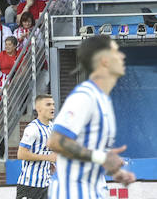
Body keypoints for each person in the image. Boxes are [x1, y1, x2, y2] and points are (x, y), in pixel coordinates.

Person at [49, 35, 135, 199]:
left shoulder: (103, 99)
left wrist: (113, 170)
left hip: (92, 190)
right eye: (116, 52)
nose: (122, 56)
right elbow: (56, 141)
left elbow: (88, 151)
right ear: (104, 61)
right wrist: (102, 157)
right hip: (72, 192)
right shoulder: (84, 96)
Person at [16, 94, 56, 199]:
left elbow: (44, 151)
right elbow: (21, 154)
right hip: (29, 186)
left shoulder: (52, 127)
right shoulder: (32, 128)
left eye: (53, 104)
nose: (52, 107)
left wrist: (50, 163)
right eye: (48, 105)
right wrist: (47, 158)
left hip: (46, 185)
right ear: (39, 109)